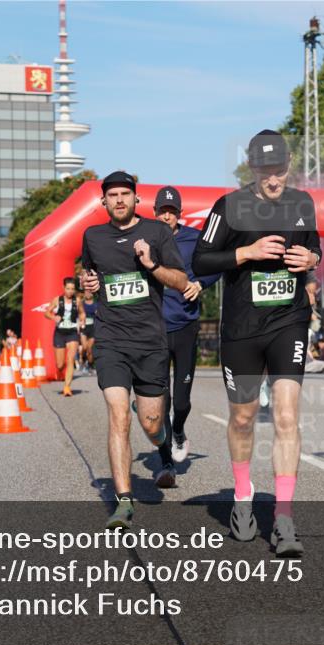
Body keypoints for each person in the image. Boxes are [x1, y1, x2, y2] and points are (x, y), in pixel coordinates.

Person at [193, 129, 321, 557]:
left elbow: (314, 246)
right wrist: (245, 253)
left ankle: (283, 518)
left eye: (280, 170)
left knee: (286, 416)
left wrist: (312, 260)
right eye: (266, 171)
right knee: (244, 418)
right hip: (243, 328)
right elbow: (201, 260)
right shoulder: (229, 207)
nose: (273, 179)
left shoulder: (301, 204)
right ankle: (243, 499)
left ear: (289, 165)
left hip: (289, 321)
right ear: (252, 169)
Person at [80, 171, 188, 529]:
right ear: (104, 202)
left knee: (150, 422)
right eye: (113, 195)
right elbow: (89, 282)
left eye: (126, 193)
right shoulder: (92, 237)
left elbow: (180, 280)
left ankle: (162, 445)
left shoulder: (156, 233)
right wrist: (88, 285)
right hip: (111, 339)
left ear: (136, 199)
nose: (120, 199)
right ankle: (123, 502)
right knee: (117, 415)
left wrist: (150, 264)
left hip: (150, 342)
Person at [152, 186, 221, 487]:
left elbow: (216, 265)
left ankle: (178, 430)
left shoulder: (194, 238)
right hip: (153, 330)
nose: (167, 215)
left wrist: (201, 283)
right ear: (155, 213)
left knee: (181, 401)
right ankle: (166, 463)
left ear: (178, 213)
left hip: (185, 325)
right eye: (162, 210)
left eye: (172, 210)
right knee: (160, 401)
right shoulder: (145, 241)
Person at [45, 277, 86, 396]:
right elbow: (46, 312)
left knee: (71, 359)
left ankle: (67, 387)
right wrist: (53, 317)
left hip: (72, 332)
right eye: (68, 288)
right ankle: (60, 372)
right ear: (63, 288)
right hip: (60, 333)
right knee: (60, 364)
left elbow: (82, 312)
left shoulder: (77, 301)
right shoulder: (57, 300)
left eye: (72, 289)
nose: (70, 291)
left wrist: (82, 319)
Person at [79, 285, 98, 375]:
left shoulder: (96, 304)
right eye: (86, 292)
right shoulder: (81, 303)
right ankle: (83, 361)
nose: (87, 293)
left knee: (90, 349)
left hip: (92, 328)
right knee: (84, 347)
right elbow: (77, 314)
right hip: (84, 328)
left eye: (89, 292)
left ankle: (90, 365)